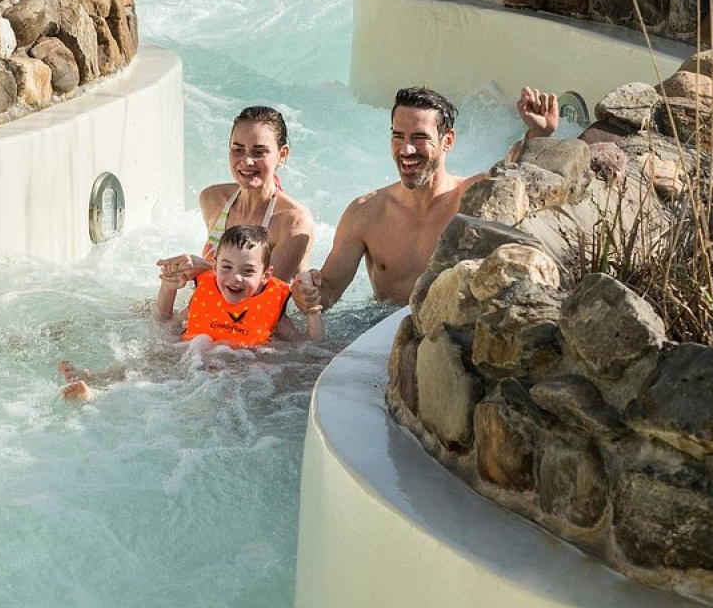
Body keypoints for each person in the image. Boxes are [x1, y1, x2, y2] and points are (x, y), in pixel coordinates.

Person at [292, 85, 559, 310]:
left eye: (419, 138)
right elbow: (329, 291)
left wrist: (539, 135)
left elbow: (520, 179)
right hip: (383, 331)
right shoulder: (365, 212)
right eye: (398, 136)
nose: (406, 150)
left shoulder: (474, 197)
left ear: (448, 141)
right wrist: (310, 294)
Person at [60, 225, 323, 401]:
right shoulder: (207, 294)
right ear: (214, 266)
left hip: (238, 370)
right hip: (189, 357)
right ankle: (96, 384)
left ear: (266, 275)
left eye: (248, 271)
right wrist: (168, 287)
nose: (235, 278)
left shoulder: (273, 311)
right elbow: (163, 319)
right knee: (149, 361)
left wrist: (313, 311)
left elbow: (311, 346)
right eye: (227, 268)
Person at [155, 106, 314, 287]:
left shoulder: (293, 221)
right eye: (238, 150)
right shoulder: (214, 199)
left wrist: (205, 268)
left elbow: (268, 295)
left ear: (282, 155)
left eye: (259, 152)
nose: (246, 161)